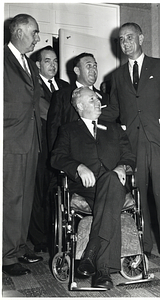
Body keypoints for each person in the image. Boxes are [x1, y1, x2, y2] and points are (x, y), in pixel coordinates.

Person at [100, 22, 160, 269]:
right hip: (133, 145)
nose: (125, 43)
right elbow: (114, 109)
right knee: (138, 197)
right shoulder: (117, 76)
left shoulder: (159, 65)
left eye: (130, 37)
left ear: (141, 38)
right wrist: (89, 114)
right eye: (122, 39)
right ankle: (142, 247)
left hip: (159, 141)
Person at [51, 87, 136, 289]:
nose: (98, 102)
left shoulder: (114, 128)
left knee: (111, 180)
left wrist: (121, 167)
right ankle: (103, 269)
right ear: (80, 106)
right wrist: (78, 167)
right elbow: (56, 157)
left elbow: (129, 156)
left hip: (114, 184)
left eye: (98, 99)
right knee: (110, 208)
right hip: (86, 189)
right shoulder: (69, 130)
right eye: (92, 99)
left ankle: (93, 254)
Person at [3, 13, 43, 277]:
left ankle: (18, 247)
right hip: (9, 138)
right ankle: (5, 256)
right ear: (18, 32)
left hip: (31, 139)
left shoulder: (30, 64)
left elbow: (37, 103)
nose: (37, 38)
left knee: (25, 198)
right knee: (9, 198)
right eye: (34, 33)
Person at [28, 46, 69, 253]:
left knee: (57, 190)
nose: (52, 65)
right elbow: (46, 112)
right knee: (39, 191)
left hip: (61, 147)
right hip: (41, 146)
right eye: (47, 61)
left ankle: (56, 234)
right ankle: (38, 238)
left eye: (54, 61)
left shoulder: (64, 86)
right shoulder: (33, 84)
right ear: (38, 65)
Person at [47, 52, 109, 152]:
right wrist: (58, 159)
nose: (93, 70)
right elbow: (53, 130)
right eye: (88, 66)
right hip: (72, 155)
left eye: (95, 66)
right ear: (77, 70)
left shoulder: (104, 97)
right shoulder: (62, 95)